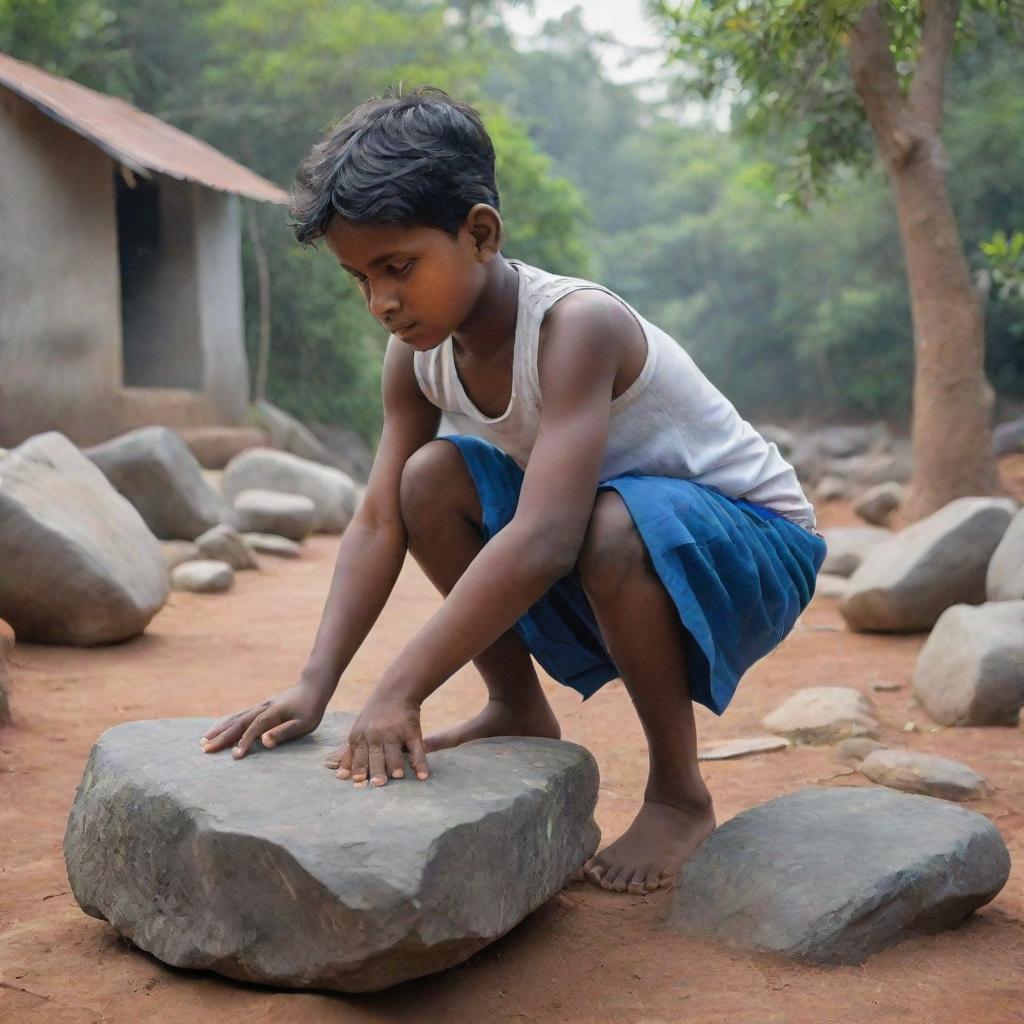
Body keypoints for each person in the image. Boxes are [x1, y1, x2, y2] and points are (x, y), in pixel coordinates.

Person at [200, 86, 826, 895]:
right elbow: (379, 518)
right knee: (428, 481)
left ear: (480, 233)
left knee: (605, 524)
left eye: (398, 268)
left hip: (756, 545)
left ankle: (679, 791)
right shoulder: (417, 359)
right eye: (360, 278)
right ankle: (516, 707)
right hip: (628, 536)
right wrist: (318, 683)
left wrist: (399, 688)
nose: (381, 302)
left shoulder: (576, 327)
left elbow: (545, 539)